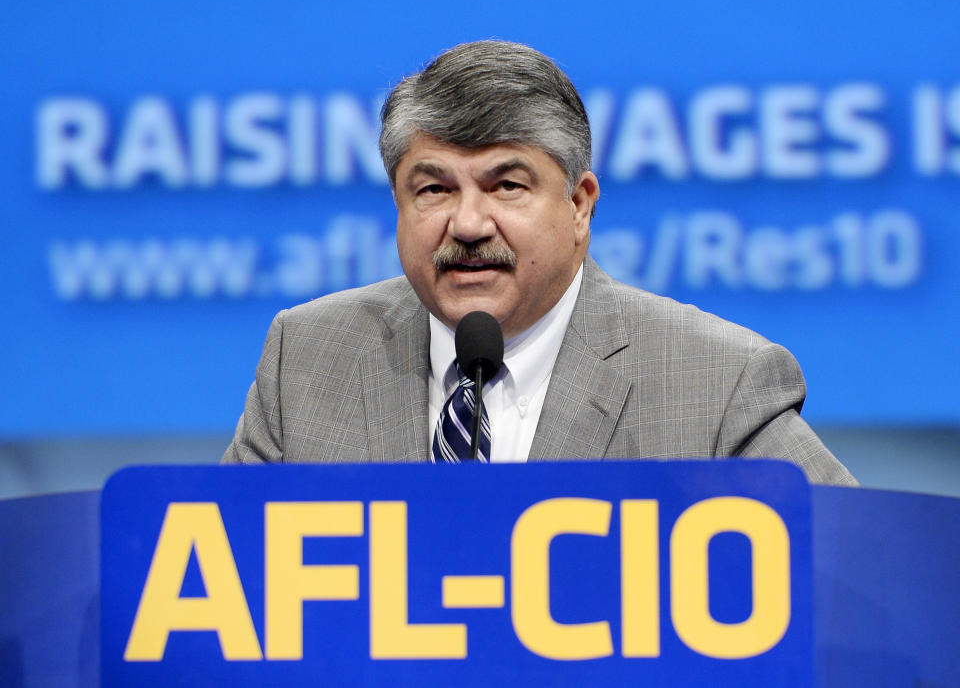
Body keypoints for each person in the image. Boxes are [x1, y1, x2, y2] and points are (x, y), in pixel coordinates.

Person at [222, 40, 856, 486]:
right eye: (434, 189)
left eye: (506, 186)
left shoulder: (719, 383)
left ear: (579, 206)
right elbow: (222, 584)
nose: (467, 225)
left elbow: (852, 577)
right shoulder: (304, 357)